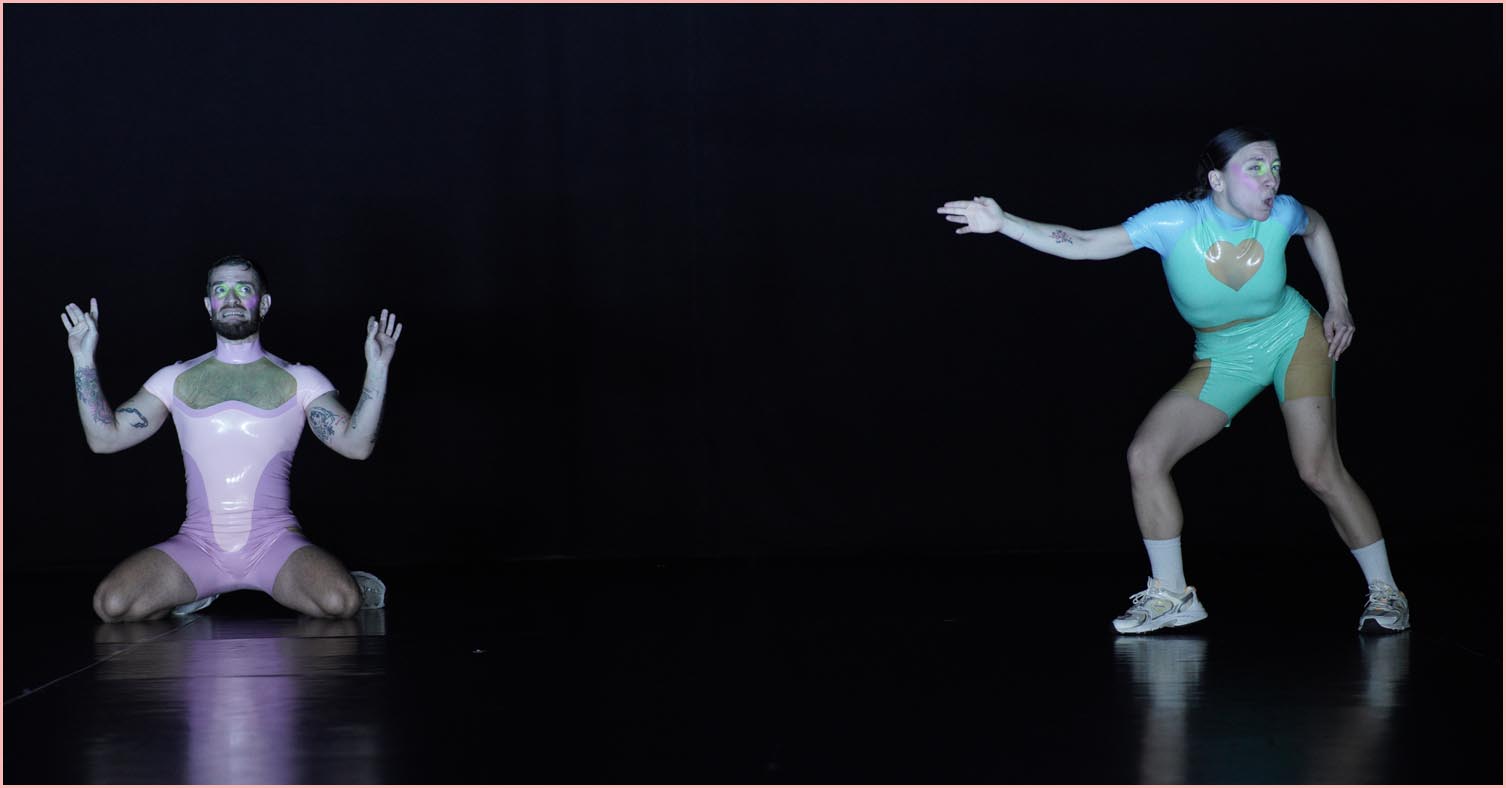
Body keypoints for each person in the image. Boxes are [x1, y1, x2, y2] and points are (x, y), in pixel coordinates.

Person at [936, 127, 1408, 635]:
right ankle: (1172, 595)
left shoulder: (1282, 213)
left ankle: (1387, 593)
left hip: (1293, 337)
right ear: (1217, 180)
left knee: (1317, 471)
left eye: (1275, 168)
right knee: (1145, 457)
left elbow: (1316, 227)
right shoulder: (1174, 222)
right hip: (1223, 357)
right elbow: (1086, 243)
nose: (1270, 179)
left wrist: (1338, 304)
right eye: (1254, 168)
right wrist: (1004, 223)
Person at [63, 254, 403, 622]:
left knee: (340, 601)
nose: (231, 299)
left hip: (274, 544)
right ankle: (195, 591)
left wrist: (378, 369)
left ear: (264, 303)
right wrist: (83, 359)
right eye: (220, 290)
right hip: (199, 547)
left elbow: (356, 445)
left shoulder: (300, 379)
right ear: (208, 304)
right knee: (111, 605)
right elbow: (105, 439)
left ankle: (350, 584)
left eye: (244, 289)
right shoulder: (173, 379)